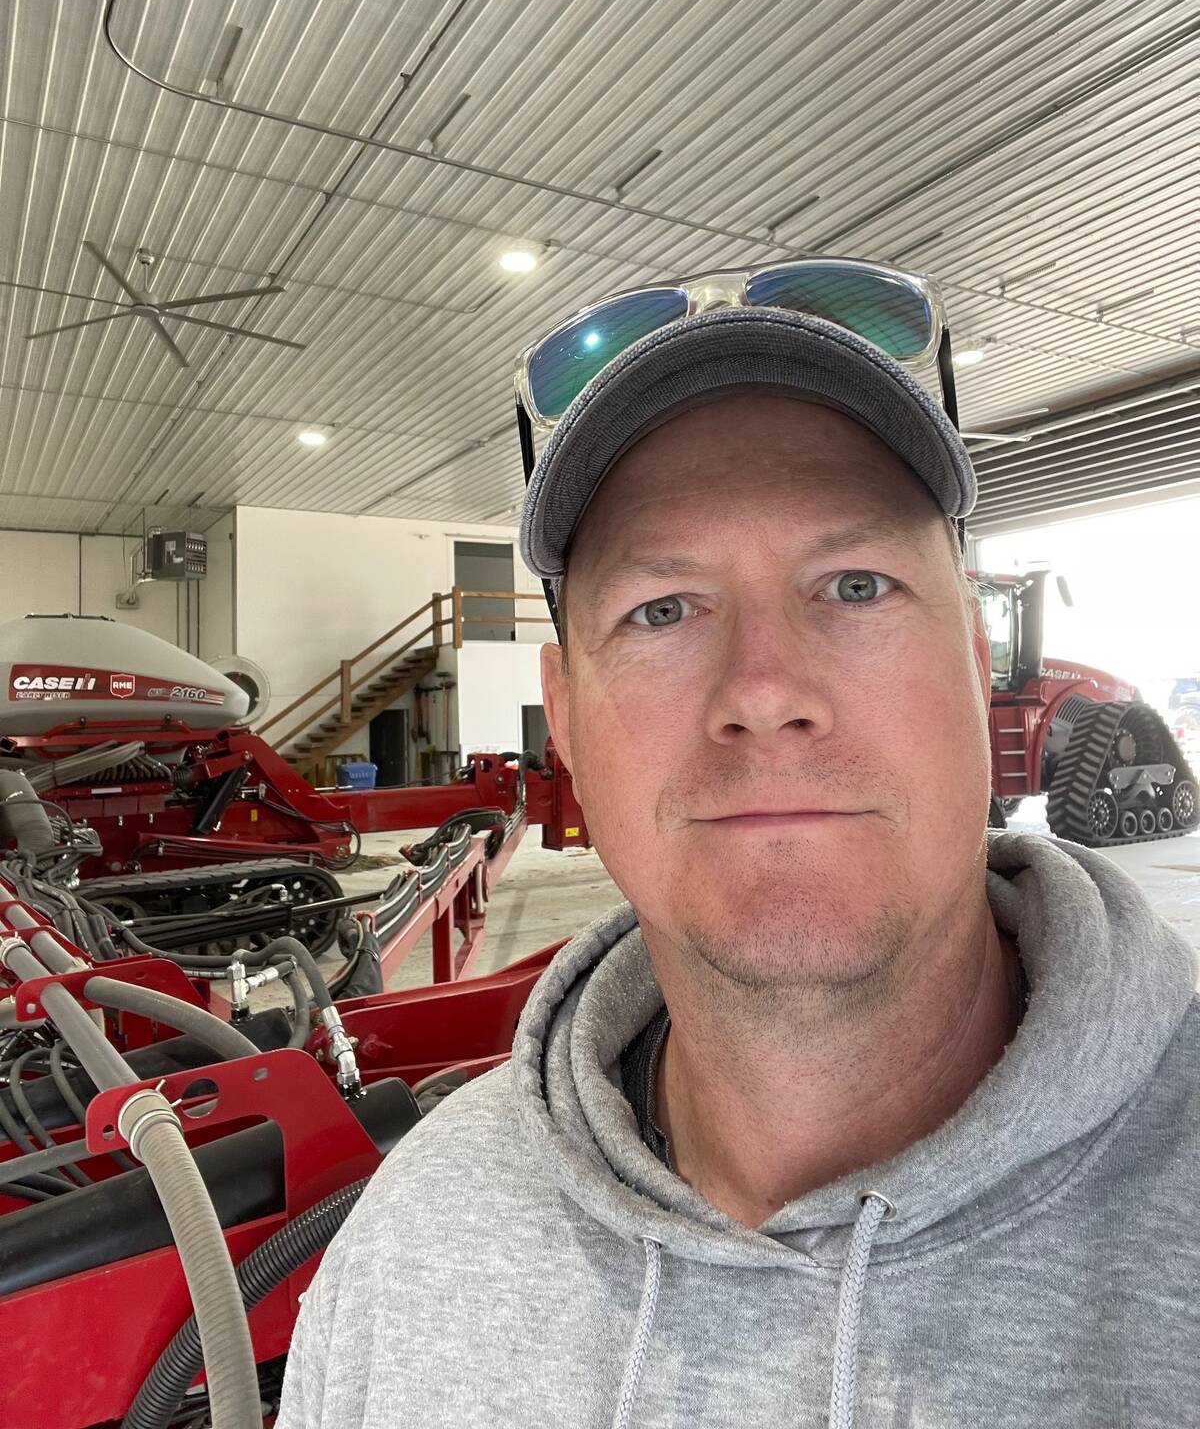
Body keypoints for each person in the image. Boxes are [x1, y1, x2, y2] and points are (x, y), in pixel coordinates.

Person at [278, 268, 1200, 1429]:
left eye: (854, 585)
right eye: (662, 609)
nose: (764, 691)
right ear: (566, 722)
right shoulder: (413, 1246)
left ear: (974, 666)